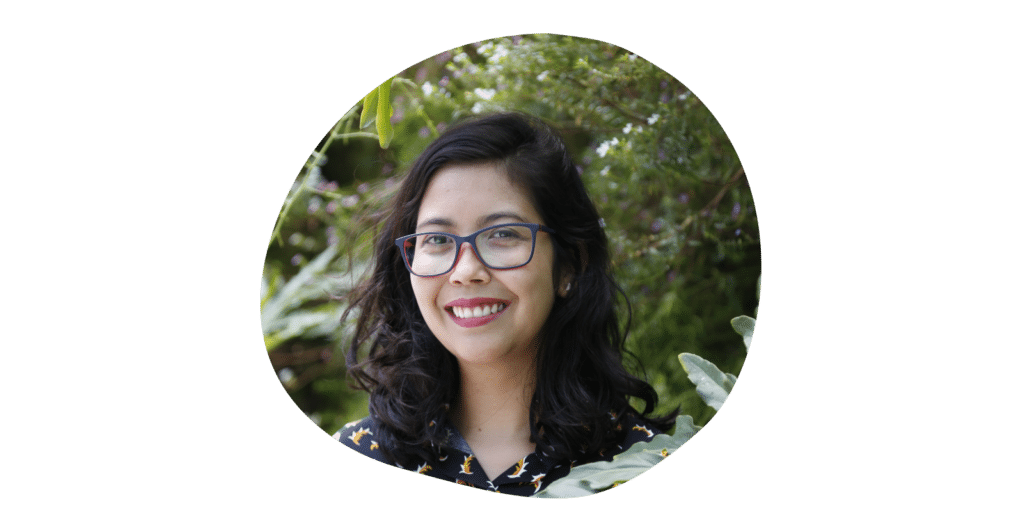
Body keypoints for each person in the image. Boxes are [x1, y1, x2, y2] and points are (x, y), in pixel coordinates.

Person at [334, 112, 676, 496]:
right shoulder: (361, 456)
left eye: (502, 234)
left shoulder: (641, 465)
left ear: (569, 265)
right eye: (437, 239)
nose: (466, 271)